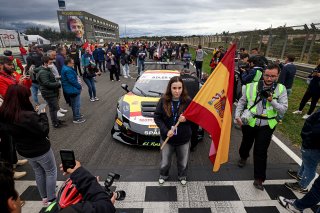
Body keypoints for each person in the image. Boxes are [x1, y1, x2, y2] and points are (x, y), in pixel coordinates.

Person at [0, 84, 57, 206]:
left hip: (24, 150)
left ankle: (45, 198)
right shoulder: (27, 116)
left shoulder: (5, 114)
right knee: (51, 171)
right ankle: (52, 200)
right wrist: (42, 113)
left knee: (38, 171)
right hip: (40, 149)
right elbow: (43, 130)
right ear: (22, 98)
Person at [234, 63, 288, 190]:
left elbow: (283, 109)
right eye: (267, 75)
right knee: (246, 142)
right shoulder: (250, 86)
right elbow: (242, 102)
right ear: (263, 74)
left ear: (278, 75)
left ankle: (259, 178)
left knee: (261, 151)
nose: (269, 79)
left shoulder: (281, 89)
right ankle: (243, 156)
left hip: (267, 124)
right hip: (250, 122)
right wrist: (237, 116)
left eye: (273, 76)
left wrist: (271, 100)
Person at [154, 76, 192, 186]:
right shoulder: (163, 100)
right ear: (169, 88)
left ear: (183, 88)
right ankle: (163, 175)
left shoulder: (188, 101)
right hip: (167, 137)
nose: (177, 91)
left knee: (183, 161)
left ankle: (182, 175)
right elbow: (157, 117)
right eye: (174, 88)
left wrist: (186, 119)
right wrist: (166, 131)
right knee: (165, 161)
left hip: (183, 138)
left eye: (179, 88)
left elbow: (195, 118)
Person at [284, 109, 320, 194]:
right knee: (307, 161)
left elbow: (317, 132)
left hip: (313, 145)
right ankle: (300, 175)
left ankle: (302, 186)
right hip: (311, 142)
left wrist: (307, 138)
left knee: (310, 166)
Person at [35, 56, 63, 128]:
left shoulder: (46, 69)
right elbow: (47, 83)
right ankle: (55, 123)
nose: (52, 64)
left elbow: (49, 79)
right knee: (53, 108)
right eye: (50, 62)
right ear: (45, 63)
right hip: (49, 93)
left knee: (53, 108)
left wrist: (57, 78)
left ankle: (56, 120)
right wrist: (58, 84)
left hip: (50, 92)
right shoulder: (43, 72)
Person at [61, 58, 86, 124]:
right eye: (72, 63)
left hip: (70, 88)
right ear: (68, 63)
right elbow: (72, 81)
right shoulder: (68, 70)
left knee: (73, 103)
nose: (73, 64)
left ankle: (76, 115)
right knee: (76, 104)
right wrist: (79, 86)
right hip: (72, 89)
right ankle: (76, 118)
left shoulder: (65, 68)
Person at [180, 69, 200, 151]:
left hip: (182, 106)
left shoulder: (178, 79)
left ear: (182, 73)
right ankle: (193, 146)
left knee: (181, 127)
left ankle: (181, 145)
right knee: (194, 128)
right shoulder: (196, 80)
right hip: (194, 107)